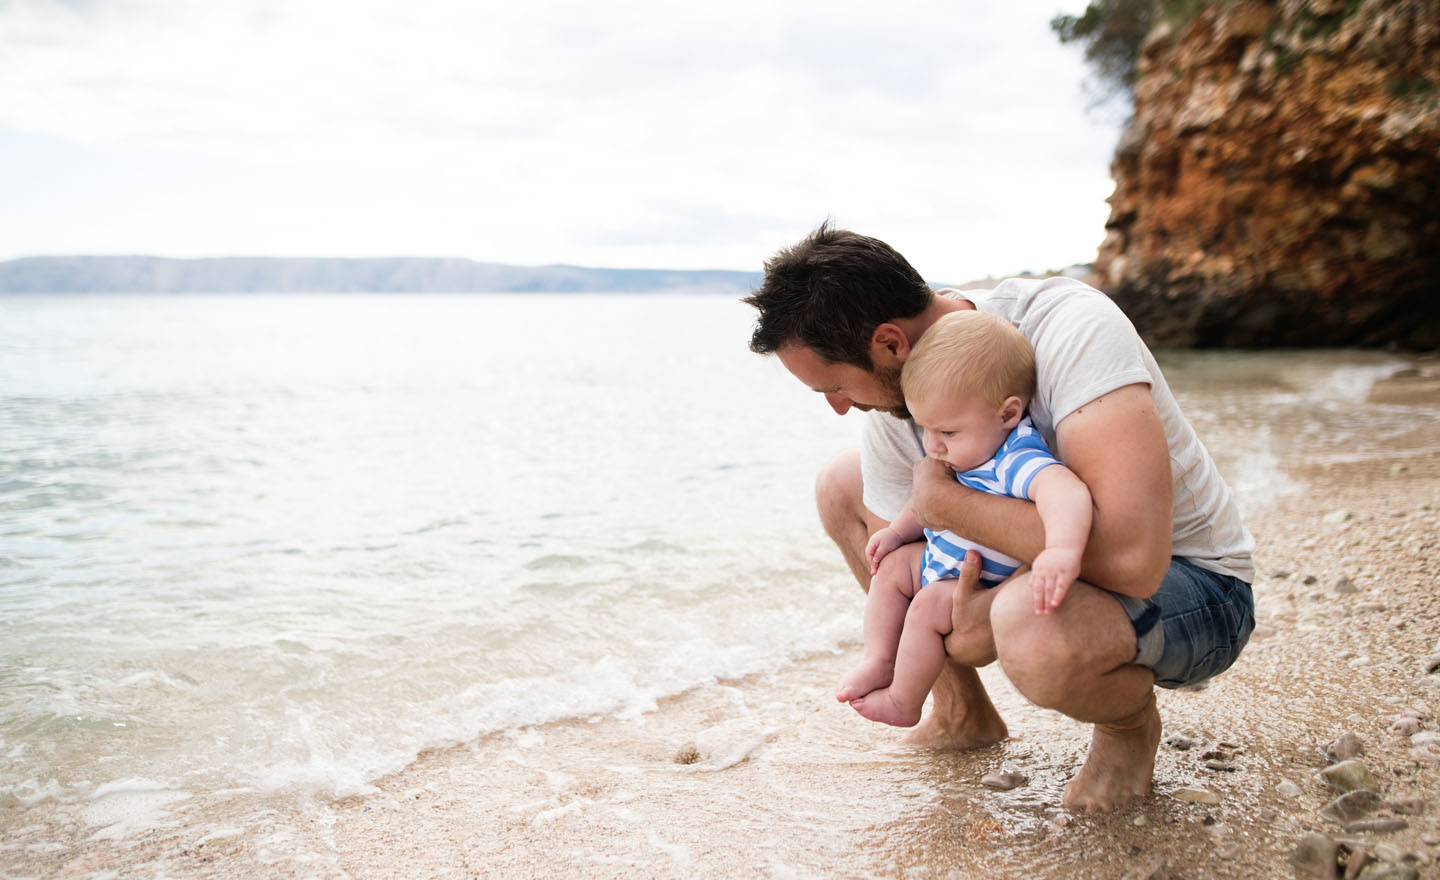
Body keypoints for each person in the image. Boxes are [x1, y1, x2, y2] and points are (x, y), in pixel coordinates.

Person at [743, 222, 1255, 812]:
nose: (839, 408)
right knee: (841, 484)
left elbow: (1135, 562)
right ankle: (960, 712)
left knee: (1028, 626)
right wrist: (942, 605)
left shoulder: (1066, 328)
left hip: (1196, 589)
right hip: (1035, 572)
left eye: (833, 386)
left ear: (889, 343)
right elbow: (913, 559)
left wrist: (950, 510)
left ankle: (1126, 731)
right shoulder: (897, 399)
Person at [836, 310, 1094, 729]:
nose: (933, 445)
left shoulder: (1015, 457)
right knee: (892, 571)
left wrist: (1063, 549)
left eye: (947, 433)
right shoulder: (967, 446)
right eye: (925, 429)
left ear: (1007, 415)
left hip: (975, 582)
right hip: (941, 558)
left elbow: (1064, 491)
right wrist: (898, 534)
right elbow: (924, 503)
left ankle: (905, 699)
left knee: (925, 609)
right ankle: (878, 660)